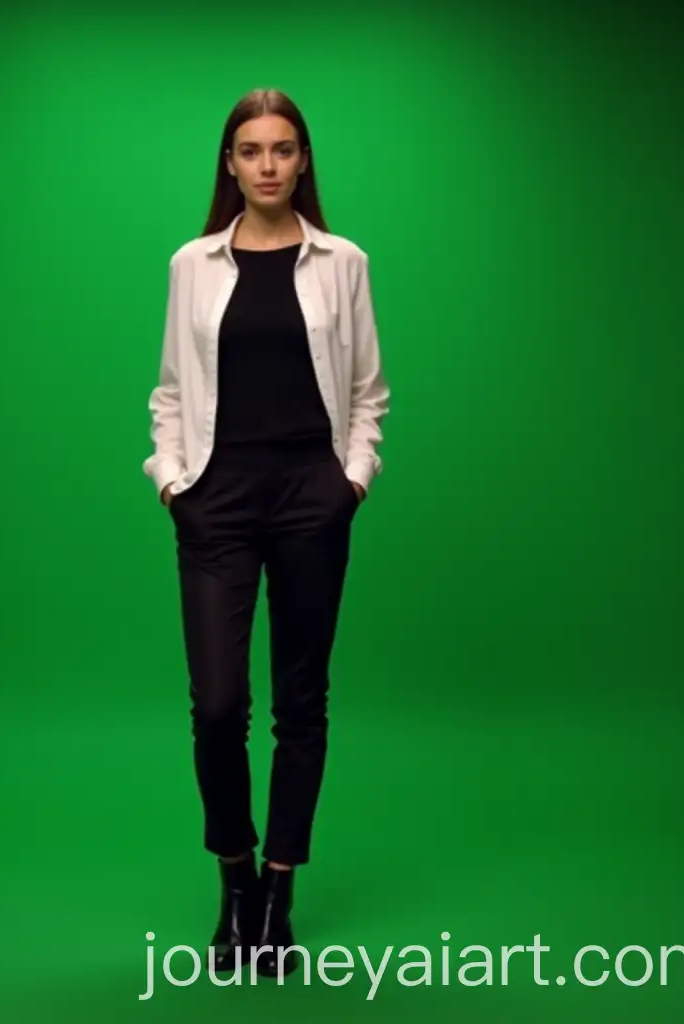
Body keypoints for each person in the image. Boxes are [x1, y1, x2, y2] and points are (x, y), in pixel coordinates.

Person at [142, 88, 390, 978]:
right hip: (218, 495)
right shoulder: (192, 265)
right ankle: (234, 880)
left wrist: (351, 480)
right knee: (216, 708)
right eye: (252, 150)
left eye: (284, 149)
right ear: (231, 164)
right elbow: (171, 388)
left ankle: (279, 897)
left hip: (309, 499)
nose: (269, 165)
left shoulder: (343, 263)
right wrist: (173, 480)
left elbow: (368, 391)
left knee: (300, 703)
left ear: (303, 160)